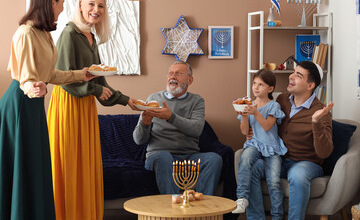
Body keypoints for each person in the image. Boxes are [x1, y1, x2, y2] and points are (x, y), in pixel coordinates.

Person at [0, 0, 97, 220]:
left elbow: (50, 75)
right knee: (24, 163)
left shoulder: (44, 32)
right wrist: (34, 88)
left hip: (34, 103)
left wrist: (80, 74)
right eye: (61, 2)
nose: (63, 8)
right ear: (51, 2)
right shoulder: (25, 33)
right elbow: (25, 80)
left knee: (36, 164)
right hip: (20, 104)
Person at [46, 0, 137, 220]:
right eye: (91, 4)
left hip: (85, 106)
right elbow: (65, 78)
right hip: (68, 104)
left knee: (85, 167)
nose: (96, 10)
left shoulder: (91, 37)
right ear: (80, 6)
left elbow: (100, 82)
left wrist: (129, 101)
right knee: (68, 166)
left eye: (101, 6)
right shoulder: (69, 33)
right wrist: (96, 89)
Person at [245, 61, 334, 220]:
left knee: (298, 175)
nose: (291, 76)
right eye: (293, 72)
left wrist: (315, 123)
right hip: (277, 158)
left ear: (310, 85)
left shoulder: (321, 111)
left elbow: (325, 152)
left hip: (305, 163)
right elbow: (268, 126)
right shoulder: (282, 100)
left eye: (298, 75)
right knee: (251, 167)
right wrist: (251, 132)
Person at [133, 61, 223, 195]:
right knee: (163, 156)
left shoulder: (197, 101)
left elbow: (196, 129)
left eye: (179, 73)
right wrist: (144, 124)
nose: (173, 76)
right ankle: (173, 210)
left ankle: (202, 209)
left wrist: (170, 116)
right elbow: (138, 140)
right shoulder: (154, 98)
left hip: (189, 157)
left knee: (214, 159)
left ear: (190, 80)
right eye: (170, 73)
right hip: (158, 156)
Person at [232, 69, 287, 220]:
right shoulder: (248, 105)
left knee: (274, 181)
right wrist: (244, 115)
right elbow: (244, 131)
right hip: (254, 144)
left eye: (261, 85)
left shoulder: (273, 106)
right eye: (254, 83)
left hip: (272, 147)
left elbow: (268, 126)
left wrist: (255, 112)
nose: (256, 87)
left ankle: (277, 216)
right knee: (245, 159)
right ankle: (242, 198)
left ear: (270, 89)